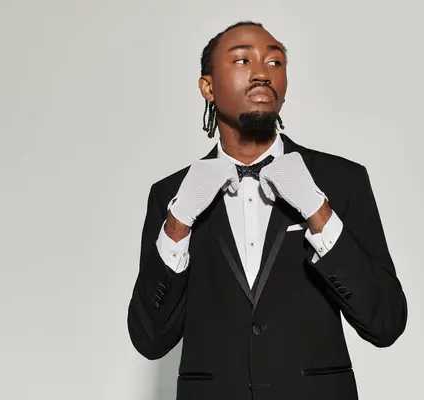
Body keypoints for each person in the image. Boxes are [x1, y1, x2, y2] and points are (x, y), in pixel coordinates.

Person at [127, 21, 407, 400]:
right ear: (207, 86)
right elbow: (150, 339)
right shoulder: (171, 196)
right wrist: (178, 223)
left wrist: (317, 210)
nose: (262, 72)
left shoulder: (342, 181)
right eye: (243, 60)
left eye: (275, 62)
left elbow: (386, 322)